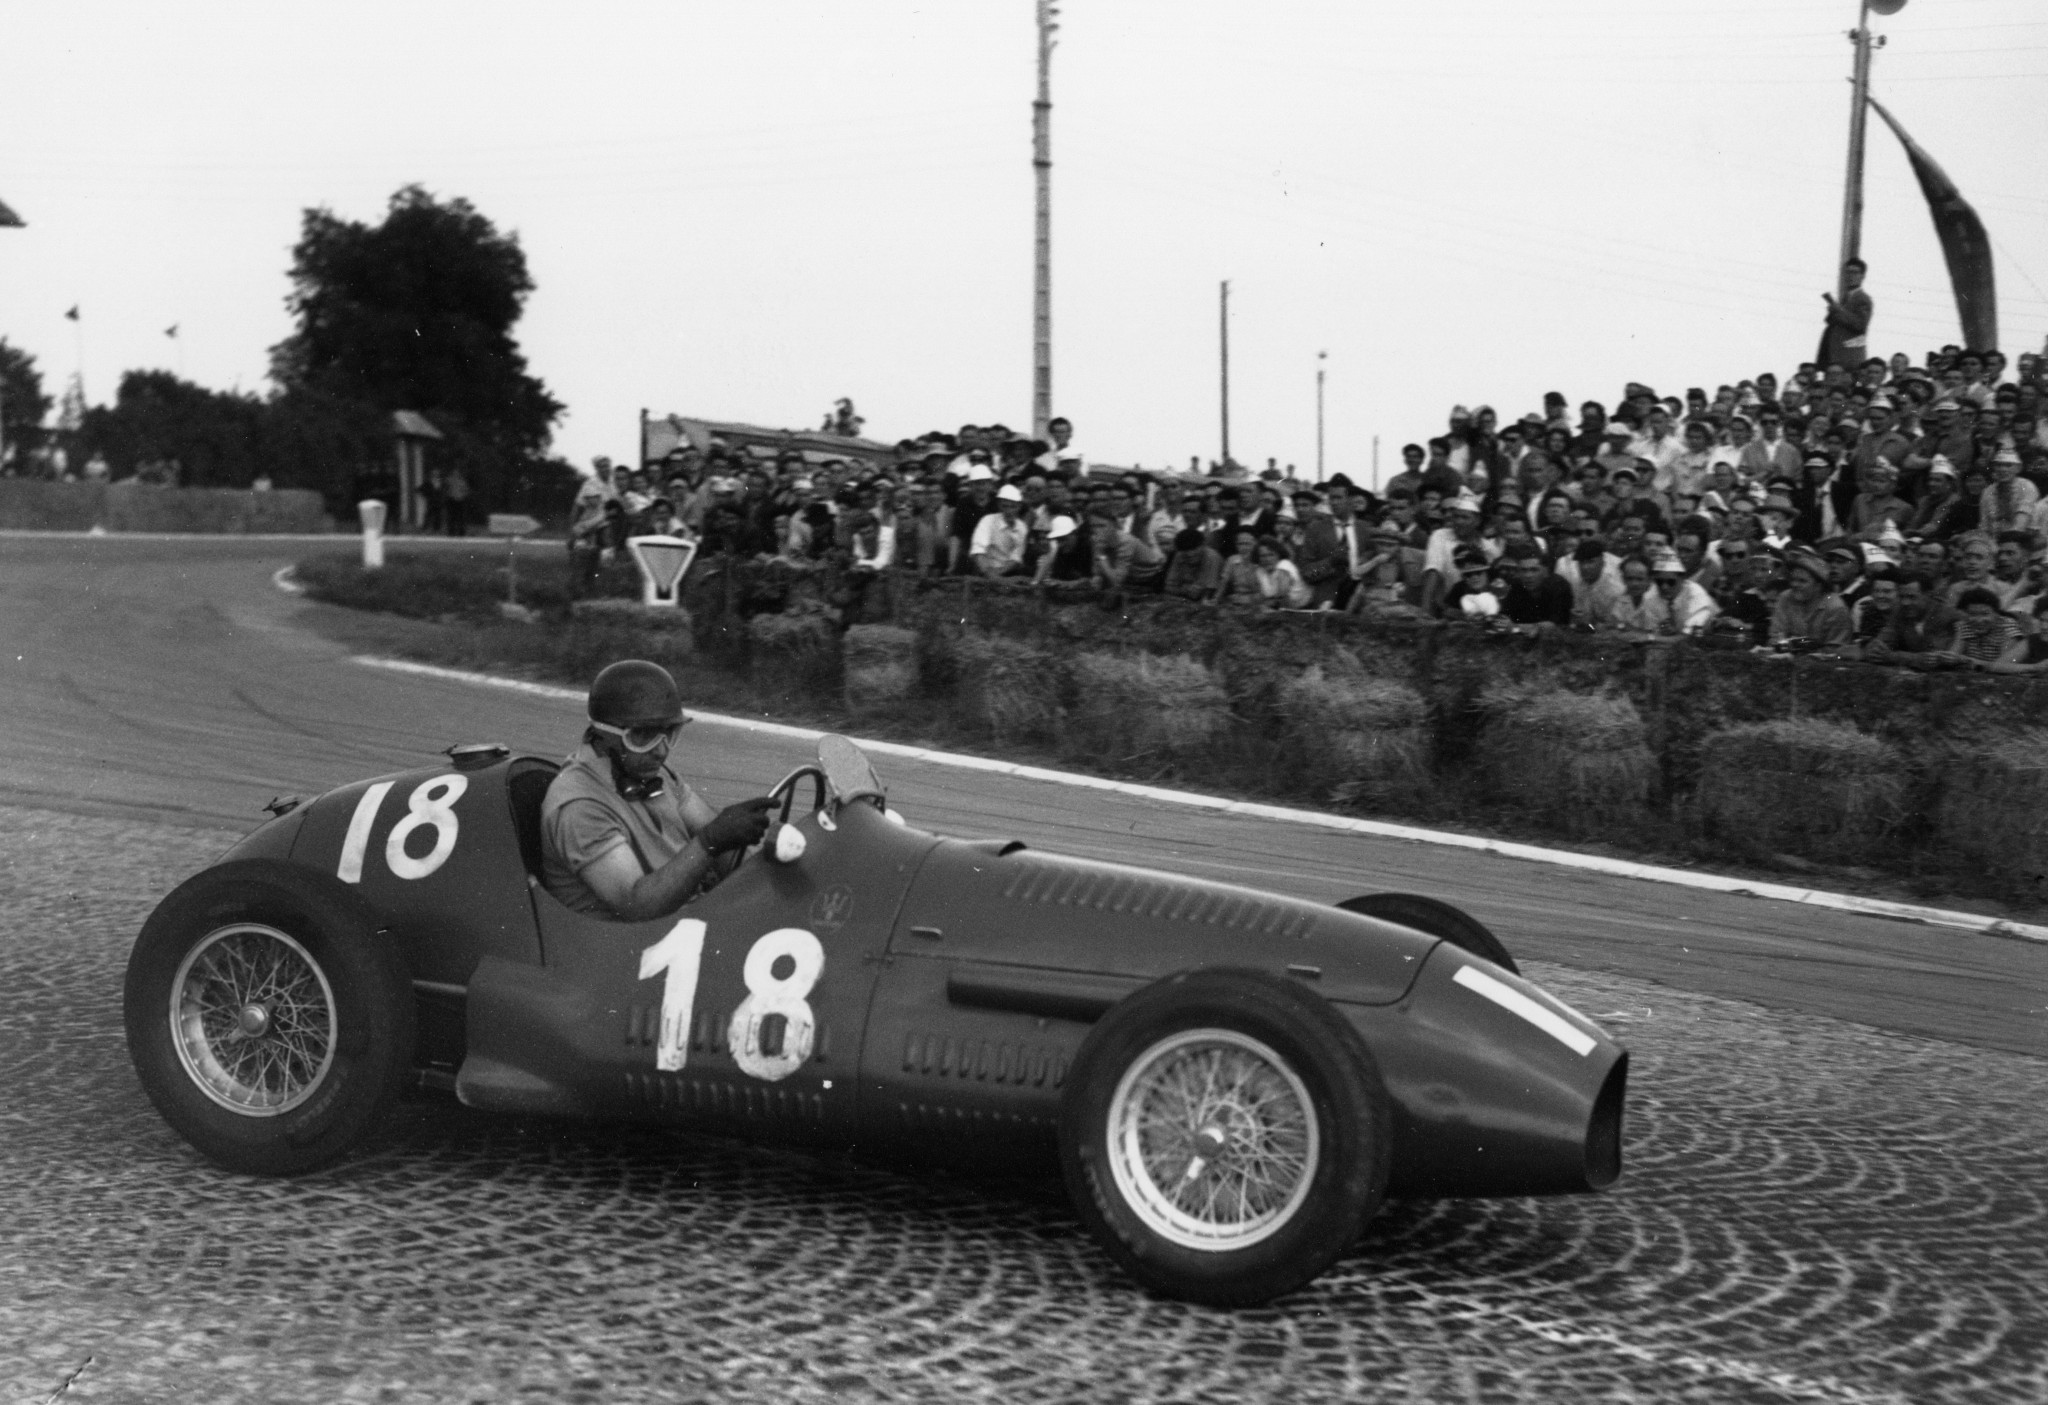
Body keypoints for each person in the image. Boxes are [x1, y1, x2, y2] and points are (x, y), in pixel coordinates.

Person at [540, 661, 777, 919]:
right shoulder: (580, 806)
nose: (661, 750)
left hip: (679, 923)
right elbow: (637, 903)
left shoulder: (649, 770)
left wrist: (766, 863)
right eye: (644, 736)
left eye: (669, 733)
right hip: (627, 944)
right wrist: (710, 842)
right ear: (604, 734)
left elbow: (715, 829)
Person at [1820, 259, 1873, 372]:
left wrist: (1838, 310)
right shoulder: (1845, 298)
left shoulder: (1863, 299)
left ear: (1862, 276)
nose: (1850, 276)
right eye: (1848, 272)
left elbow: (1860, 325)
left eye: (1855, 272)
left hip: (1850, 362)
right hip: (1835, 359)